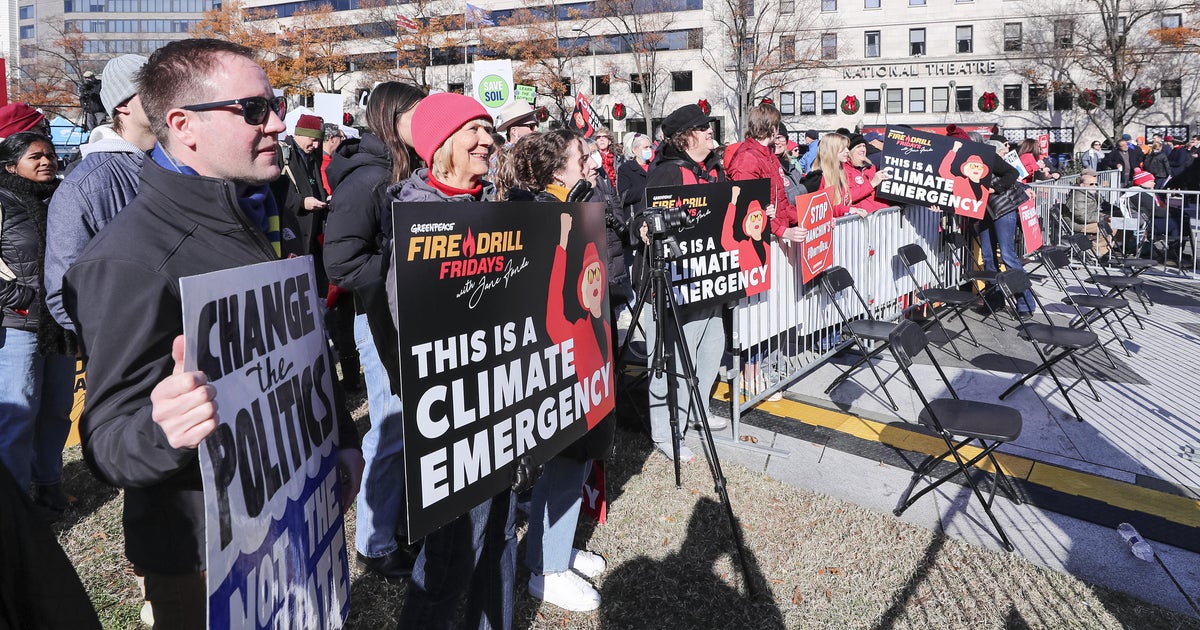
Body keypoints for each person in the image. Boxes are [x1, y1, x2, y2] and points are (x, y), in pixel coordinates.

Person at [61, 39, 363, 629]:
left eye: (273, 104)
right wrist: (164, 429)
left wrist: (341, 441)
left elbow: (304, 354)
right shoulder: (127, 260)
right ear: (183, 125)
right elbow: (108, 441)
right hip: (205, 559)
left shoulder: (266, 213)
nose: (276, 121)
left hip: (292, 520)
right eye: (253, 110)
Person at [384, 92, 516, 630]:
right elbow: (410, 318)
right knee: (451, 555)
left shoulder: (495, 205)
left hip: (505, 398)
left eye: (488, 129)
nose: (488, 140)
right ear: (439, 147)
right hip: (455, 413)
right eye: (473, 131)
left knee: (501, 535)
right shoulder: (420, 217)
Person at [497, 129, 613, 613]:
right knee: (565, 460)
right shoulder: (544, 219)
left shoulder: (570, 208)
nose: (591, 162)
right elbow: (551, 308)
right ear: (554, 172)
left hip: (587, 360)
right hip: (560, 365)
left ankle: (554, 544)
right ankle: (546, 569)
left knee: (575, 459)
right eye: (581, 157)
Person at [324, 81, 425, 580]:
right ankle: (373, 541)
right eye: (417, 112)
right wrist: (405, 266)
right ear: (390, 117)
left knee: (412, 427)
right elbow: (340, 263)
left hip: (413, 315)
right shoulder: (365, 180)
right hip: (381, 319)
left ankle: (400, 521)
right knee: (389, 429)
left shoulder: (407, 170)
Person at [634, 103, 729, 463]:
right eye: (702, 128)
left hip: (705, 283)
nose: (710, 132)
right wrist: (644, 229)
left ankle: (694, 414)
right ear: (685, 137)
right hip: (671, 288)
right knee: (668, 362)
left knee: (708, 352)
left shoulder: (707, 172)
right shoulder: (668, 173)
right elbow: (644, 217)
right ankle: (667, 433)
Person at [45, 54, 153, 335]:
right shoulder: (83, 186)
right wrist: (139, 339)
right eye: (154, 90)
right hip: (139, 359)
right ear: (122, 105)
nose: (169, 97)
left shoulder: (182, 164)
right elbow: (64, 297)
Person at [0, 131, 75, 517]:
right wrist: (25, 301)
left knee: (57, 409)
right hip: (20, 326)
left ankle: (48, 484)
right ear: (11, 165)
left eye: (50, 155)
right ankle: (15, 507)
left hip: (60, 323)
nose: (47, 161)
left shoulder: (61, 200)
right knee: (19, 414)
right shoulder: (3, 202)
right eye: (35, 157)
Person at [977, 139, 1035, 318]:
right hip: (984, 214)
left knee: (1008, 255)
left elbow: (1012, 173)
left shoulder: (988, 156)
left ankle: (1025, 303)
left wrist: (995, 189)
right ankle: (994, 301)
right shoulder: (960, 162)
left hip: (1003, 209)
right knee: (988, 257)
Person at [1062, 168, 1116, 258]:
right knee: (1111, 226)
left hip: (1086, 220)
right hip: (1077, 224)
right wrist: (1103, 217)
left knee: (1117, 221)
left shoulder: (1090, 192)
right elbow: (1081, 216)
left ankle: (1107, 249)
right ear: (1082, 185)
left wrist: (1107, 215)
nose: (1094, 186)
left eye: (1096, 184)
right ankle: (1093, 251)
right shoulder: (1078, 195)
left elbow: (1100, 206)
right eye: (1091, 184)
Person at [845, 133, 891, 213]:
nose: (863, 149)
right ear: (850, 151)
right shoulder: (844, 169)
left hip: (884, 216)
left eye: (864, 146)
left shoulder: (871, 167)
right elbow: (847, 196)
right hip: (864, 219)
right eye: (858, 147)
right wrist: (872, 184)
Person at [616, 132, 653, 217]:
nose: (649, 150)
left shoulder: (655, 166)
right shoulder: (626, 169)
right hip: (637, 215)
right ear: (634, 150)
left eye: (650, 147)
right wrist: (648, 190)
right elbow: (625, 196)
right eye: (645, 147)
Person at [320, 121, 345, 195]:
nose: (342, 141)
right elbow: (329, 191)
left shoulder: (324, 160)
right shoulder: (324, 163)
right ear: (332, 139)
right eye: (341, 138)